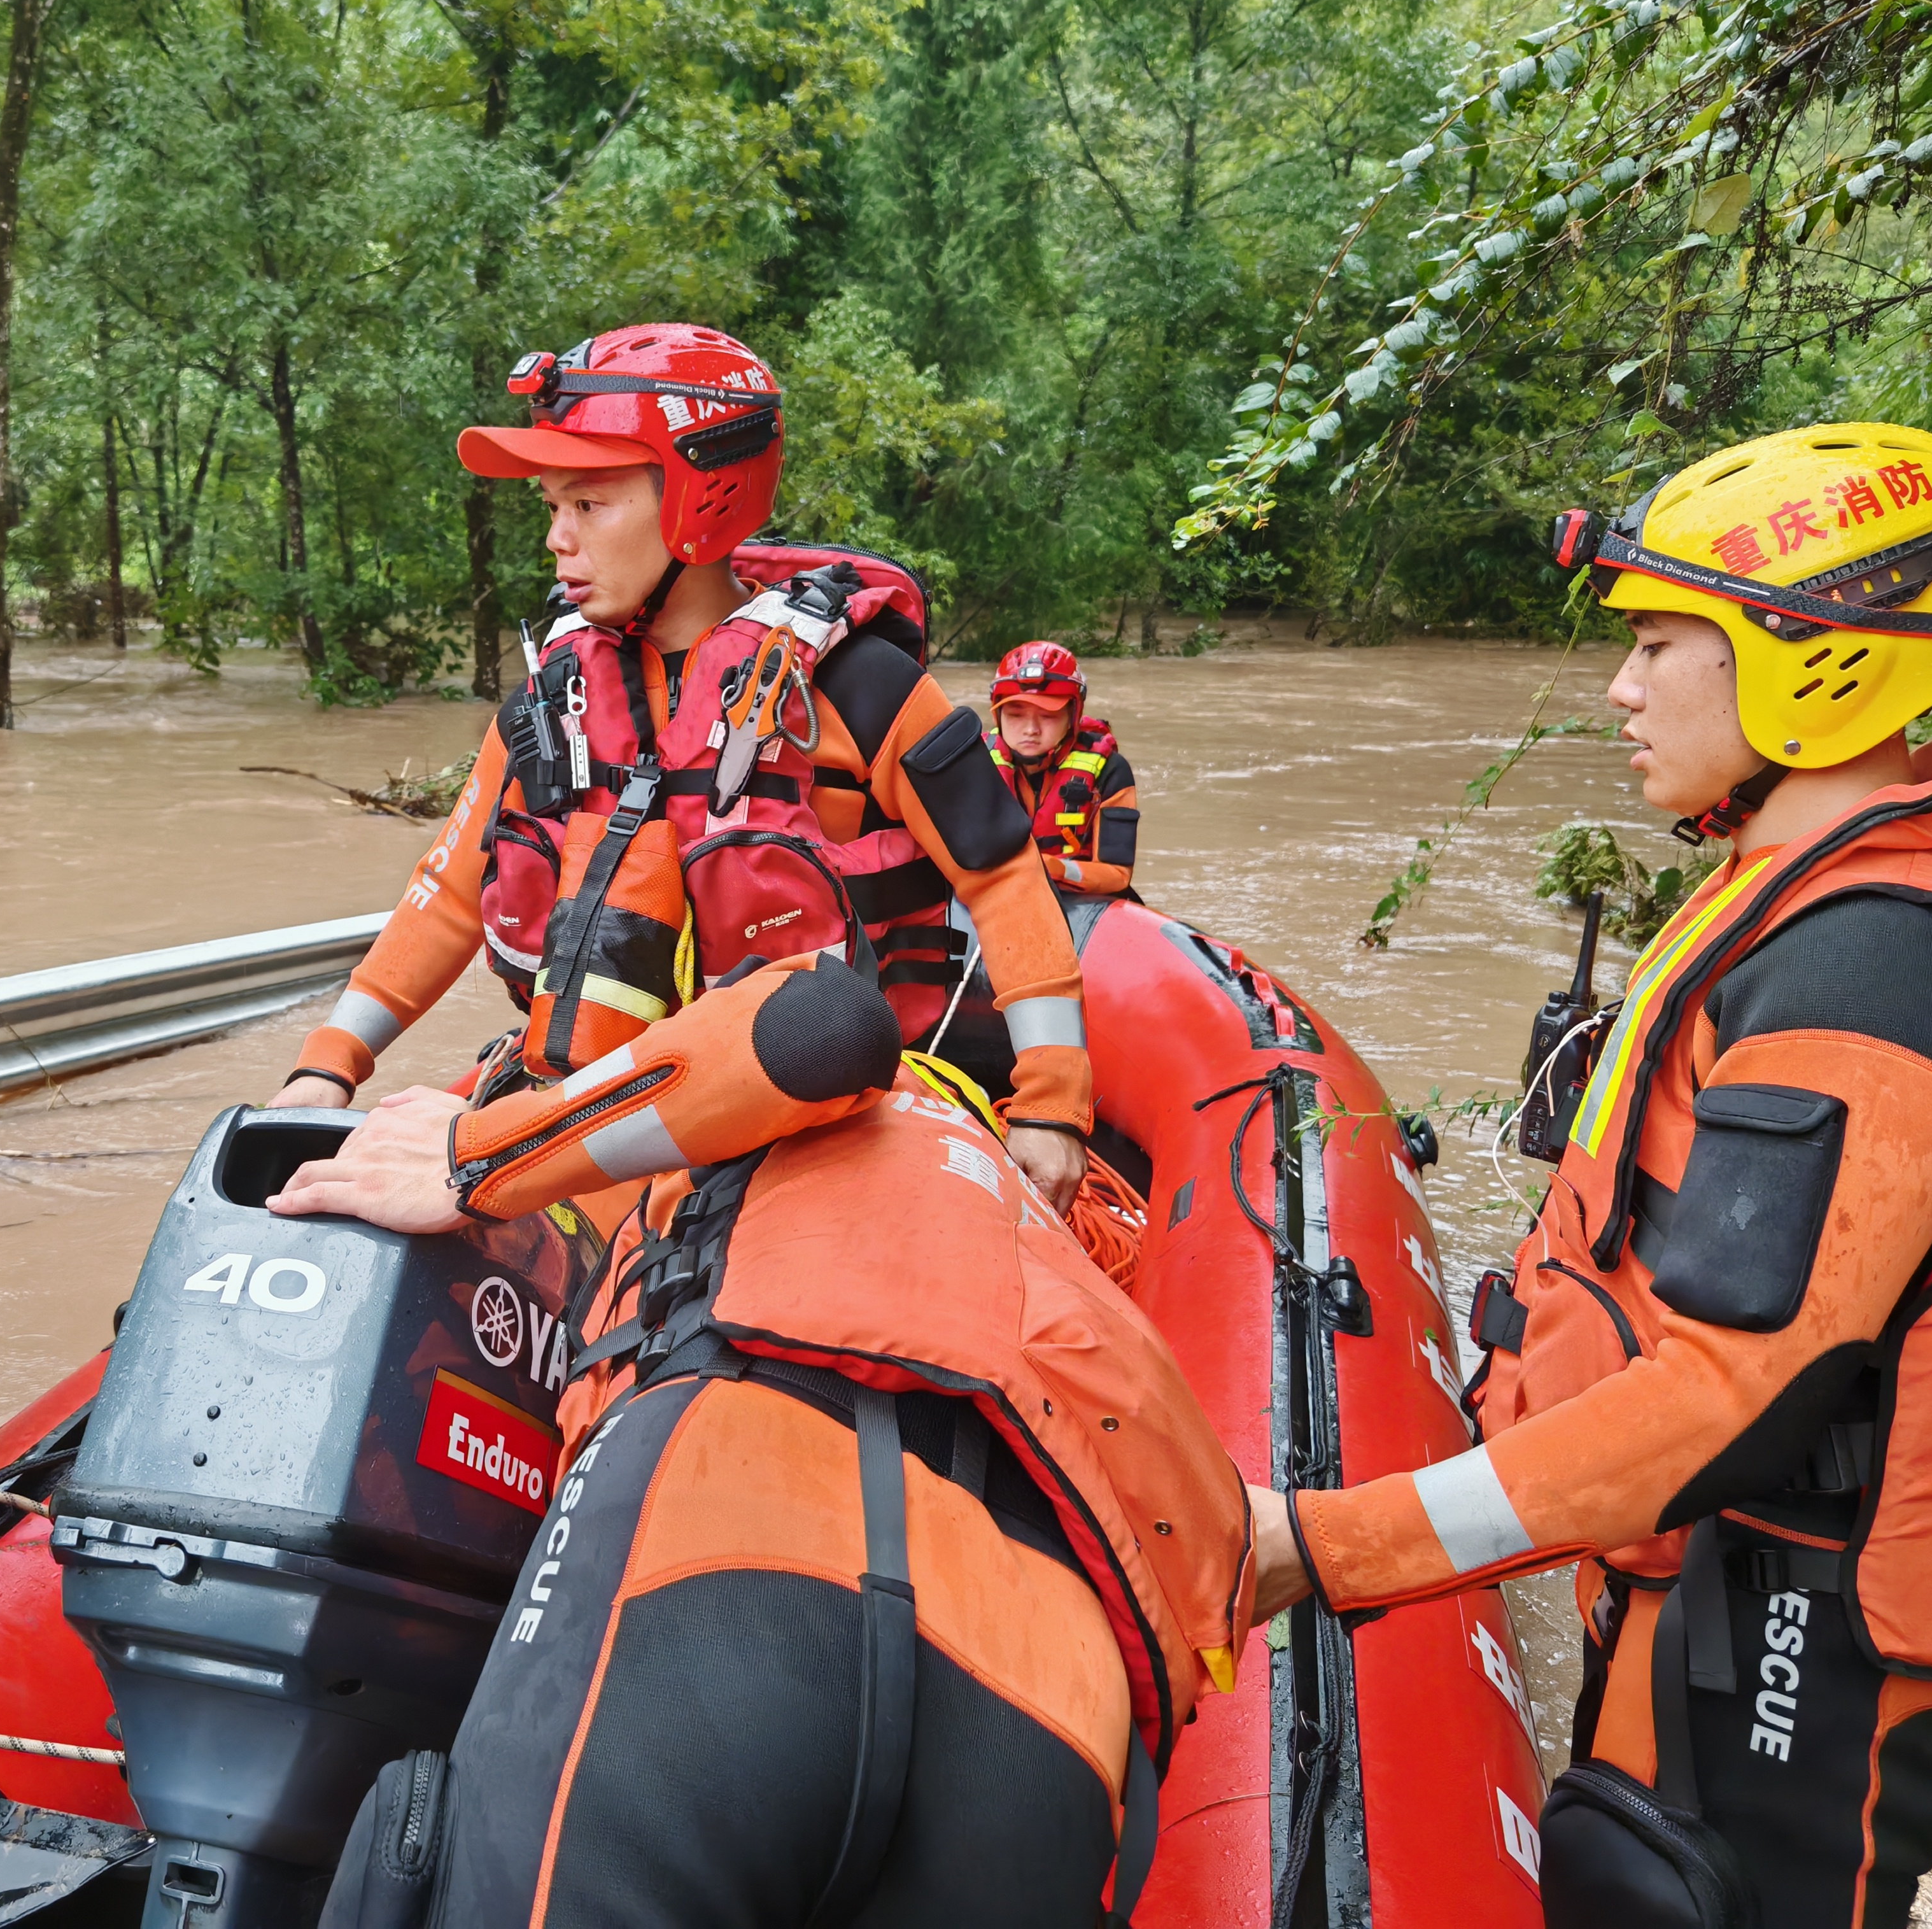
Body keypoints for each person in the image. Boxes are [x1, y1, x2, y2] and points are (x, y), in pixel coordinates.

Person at [1248, 422, 1932, 1925]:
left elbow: (1733, 1387)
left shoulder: (1871, 967)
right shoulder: (1791, 900)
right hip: (1709, 1586)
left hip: (1812, 1651)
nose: (1622, 688)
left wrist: (1321, 1541)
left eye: (1663, 643)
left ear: (1818, 662)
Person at [280, 953, 1252, 1927]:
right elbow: (1260, 1548)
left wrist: (471, 1155)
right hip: (1047, 1716)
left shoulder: (730, 1109)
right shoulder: (1048, 1257)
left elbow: (821, 1027)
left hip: (725, 1563)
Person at [272, 324, 1096, 1208]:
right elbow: (450, 896)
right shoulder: (554, 700)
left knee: (817, 1020)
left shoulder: (862, 688)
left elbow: (1004, 878)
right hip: (585, 1104)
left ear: (699, 499)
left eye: (588, 507)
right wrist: (328, 1065)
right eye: (551, 507)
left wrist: (1050, 1104)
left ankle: (485, 1162)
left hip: (810, 1090)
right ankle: (496, 1154)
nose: (557, 539)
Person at [988, 640, 1139, 897]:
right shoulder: (973, 763)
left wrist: (1052, 870)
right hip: (995, 896)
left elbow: (1117, 874)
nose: (1030, 730)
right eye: (1015, 715)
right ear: (998, 715)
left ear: (1073, 715)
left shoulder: (1109, 770)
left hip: (1078, 900)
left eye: (1047, 716)